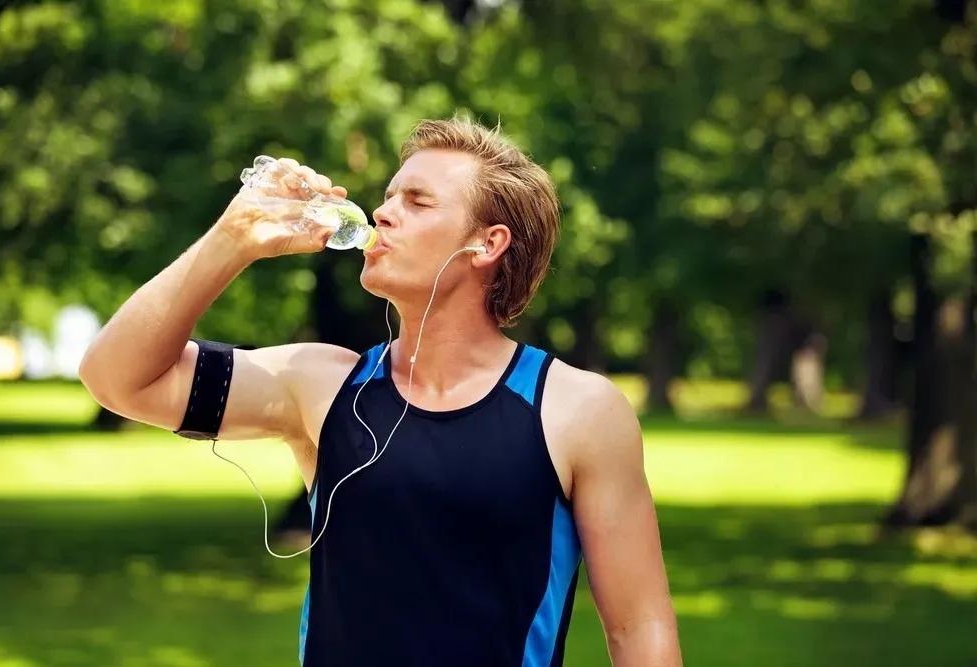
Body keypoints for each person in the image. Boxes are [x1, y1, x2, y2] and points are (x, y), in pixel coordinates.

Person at [79, 117, 682, 667]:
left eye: (417, 202)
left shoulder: (577, 410)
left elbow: (640, 629)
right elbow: (117, 378)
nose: (384, 212)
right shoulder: (320, 385)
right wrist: (234, 238)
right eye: (390, 196)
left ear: (487, 244)